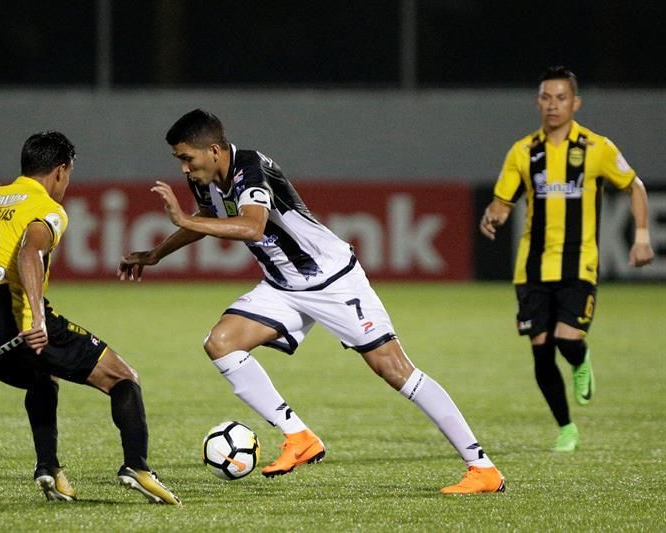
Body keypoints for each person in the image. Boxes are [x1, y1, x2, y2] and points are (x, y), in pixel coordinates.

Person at [119, 109, 505, 494]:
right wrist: (156, 254)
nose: (184, 169)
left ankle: (482, 468)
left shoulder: (249, 168)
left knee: (394, 369)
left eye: (187, 158)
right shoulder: (207, 179)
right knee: (221, 343)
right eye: (179, 160)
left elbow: (252, 225)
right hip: (283, 286)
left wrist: (183, 220)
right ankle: (299, 437)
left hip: (331, 280)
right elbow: (208, 215)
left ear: (216, 150)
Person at [0, 131, 181, 505]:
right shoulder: (46, 209)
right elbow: (29, 254)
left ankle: (49, 469)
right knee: (123, 378)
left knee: (43, 378)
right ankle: (137, 467)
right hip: (21, 327)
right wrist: (38, 319)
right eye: (69, 173)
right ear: (60, 170)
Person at [479, 66, 654, 452]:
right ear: (537, 101)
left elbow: (635, 186)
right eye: (546, 97)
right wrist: (494, 214)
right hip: (532, 266)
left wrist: (642, 237)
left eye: (561, 98)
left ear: (575, 103)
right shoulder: (523, 151)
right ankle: (566, 428)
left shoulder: (596, 148)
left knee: (567, 340)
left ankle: (580, 359)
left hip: (579, 262)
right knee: (541, 347)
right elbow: (502, 201)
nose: (553, 105)